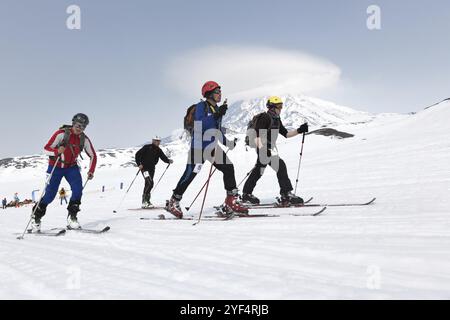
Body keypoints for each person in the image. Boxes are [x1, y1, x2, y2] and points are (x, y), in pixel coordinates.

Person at [166, 81, 248, 218]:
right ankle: (173, 201)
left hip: (211, 148)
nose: (220, 94)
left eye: (220, 91)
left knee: (228, 167)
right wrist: (216, 115)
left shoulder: (216, 110)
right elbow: (199, 124)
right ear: (209, 94)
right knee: (189, 175)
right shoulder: (201, 106)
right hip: (198, 148)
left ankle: (230, 200)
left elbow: (216, 131)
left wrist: (228, 143)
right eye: (217, 92)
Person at [30, 113, 97, 232]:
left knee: (78, 190)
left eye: (83, 126)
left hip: (71, 168)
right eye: (77, 125)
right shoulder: (61, 134)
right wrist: (56, 151)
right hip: (55, 167)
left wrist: (91, 170)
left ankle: (72, 217)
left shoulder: (84, 139)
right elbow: (45, 149)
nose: (79, 128)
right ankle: (36, 217)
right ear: (73, 123)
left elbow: (93, 155)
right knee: (50, 195)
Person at [241, 96, 309, 205]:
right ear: (272, 107)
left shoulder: (277, 119)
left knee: (258, 171)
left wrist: (300, 130)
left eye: (281, 106)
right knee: (280, 166)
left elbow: (286, 134)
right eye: (279, 106)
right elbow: (257, 136)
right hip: (263, 148)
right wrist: (263, 150)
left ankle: (246, 195)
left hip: (268, 149)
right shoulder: (265, 117)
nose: (281, 109)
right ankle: (286, 194)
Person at [135, 136, 173, 208]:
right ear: (153, 141)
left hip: (152, 169)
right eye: (156, 141)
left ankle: (147, 201)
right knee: (150, 182)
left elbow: (163, 157)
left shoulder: (158, 150)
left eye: (159, 141)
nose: (158, 142)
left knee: (148, 184)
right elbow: (137, 155)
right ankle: (144, 201)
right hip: (144, 168)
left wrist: (168, 161)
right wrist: (139, 164)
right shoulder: (147, 147)